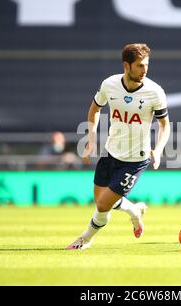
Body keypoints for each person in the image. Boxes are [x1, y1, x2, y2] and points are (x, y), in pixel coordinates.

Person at [66, 43, 171, 250]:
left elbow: (164, 125)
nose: (145, 70)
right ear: (126, 65)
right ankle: (134, 210)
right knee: (100, 202)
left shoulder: (154, 92)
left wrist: (158, 150)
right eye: (140, 66)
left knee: (104, 205)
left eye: (146, 65)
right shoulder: (109, 85)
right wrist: (91, 139)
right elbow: (94, 109)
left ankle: (85, 239)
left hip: (135, 160)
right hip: (111, 152)